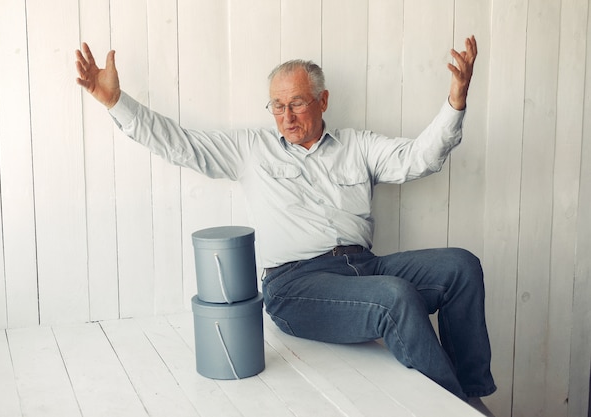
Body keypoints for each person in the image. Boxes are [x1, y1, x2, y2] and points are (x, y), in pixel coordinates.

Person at [75, 36, 496, 405]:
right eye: (277, 105)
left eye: (296, 103)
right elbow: (181, 145)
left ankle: (471, 391)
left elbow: (419, 159)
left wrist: (455, 101)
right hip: (297, 285)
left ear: (323, 101)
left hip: (364, 267)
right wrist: (115, 100)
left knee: (460, 265)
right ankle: (456, 408)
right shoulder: (252, 149)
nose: (287, 116)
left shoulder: (358, 145)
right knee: (394, 296)